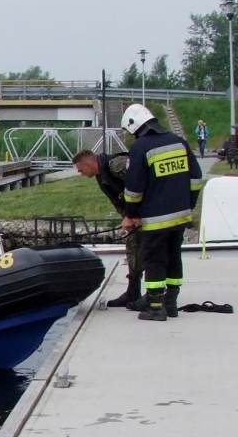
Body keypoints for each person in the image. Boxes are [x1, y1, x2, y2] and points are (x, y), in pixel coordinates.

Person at [120, 103, 203, 321]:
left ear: (134, 126)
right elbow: (196, 178)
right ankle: (171, 304)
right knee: (174, 256)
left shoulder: (140, 148)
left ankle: (155, 308)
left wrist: (131, 214)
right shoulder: (179, 141)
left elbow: (133, 189)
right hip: (180, 215)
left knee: (154, 260)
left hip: (156, 219)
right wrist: (190, 203)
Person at [72, 149, 143, 308]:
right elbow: (119, 198)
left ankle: (156, 294)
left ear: (89, 163)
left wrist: (137, 214)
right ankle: (133, 291)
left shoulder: (116, 165)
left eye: (81, 169)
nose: (81, 174)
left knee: (153, 252)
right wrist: (129, 217)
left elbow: (139, 183)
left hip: (147, 214)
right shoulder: (101, 176)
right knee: (133, 250)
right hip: (134, 217)